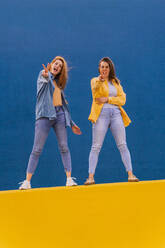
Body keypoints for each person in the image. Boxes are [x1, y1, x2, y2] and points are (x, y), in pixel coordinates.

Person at [19, 56, 81, 189]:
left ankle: (69, 179)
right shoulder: (43, 76)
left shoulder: (58, 85)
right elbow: (43, 78)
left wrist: (72, 123)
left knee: (64, 147)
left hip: (59, 116)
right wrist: (46, 75)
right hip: (45, 115)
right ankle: (27, 181)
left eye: (60, 66)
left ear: (60, 71)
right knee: (37, 149)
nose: (57, 66)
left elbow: (62, 106)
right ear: (51, 64)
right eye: (56, 63)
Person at [84, 57, 138, 185]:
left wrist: (107, 99)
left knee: (122, 144)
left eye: (106, 67)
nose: (104, 69)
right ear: (99, 68)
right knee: (96, 146)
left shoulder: (115, 82)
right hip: (101, 114)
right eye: (102, 67)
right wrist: (101, 82)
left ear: (110, 69)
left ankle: (130, 174)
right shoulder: (95, 81)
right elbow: (96, 92)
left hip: (116, 114)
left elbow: (122, 99)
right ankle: (90, 177)